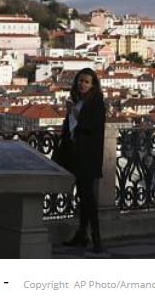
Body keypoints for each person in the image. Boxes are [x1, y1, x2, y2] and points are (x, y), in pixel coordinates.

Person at [61, 67, 106, 253]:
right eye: (80, 80)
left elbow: (91, 128)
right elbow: (69, 128)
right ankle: (82, 234)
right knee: (83, 197)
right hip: (75, 155)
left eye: (87, 81)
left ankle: (96, 238)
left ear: (93, 85)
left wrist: (74, 114)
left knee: (88, 198)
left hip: (88, 156)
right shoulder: (78, 102)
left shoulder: (96, 104)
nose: (82, 84)